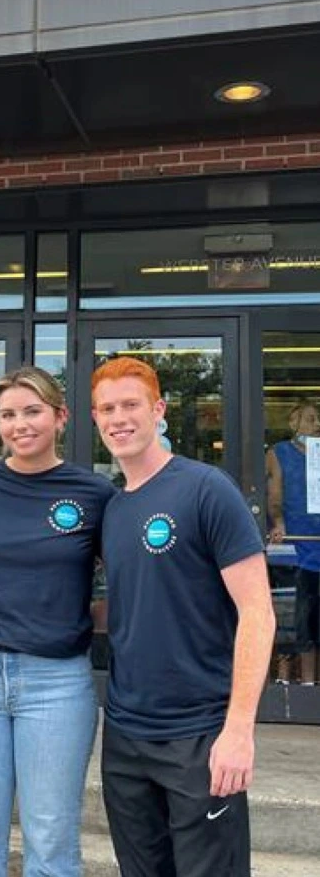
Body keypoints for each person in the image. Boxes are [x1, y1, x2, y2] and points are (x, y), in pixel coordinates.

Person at [91, 356, 276, 877]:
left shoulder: (204, 489)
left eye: (131, 404)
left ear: (159, 410)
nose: (118, 418)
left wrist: (239, 729)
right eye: (107, 408)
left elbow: (257, 612)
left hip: (199, 735)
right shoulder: (113, 507)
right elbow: (141, 605)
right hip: (125, 734)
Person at [0, 366, 114, 877]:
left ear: (60, 417)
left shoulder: (94, 494)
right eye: (8, 414)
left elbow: (127, 579)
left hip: (56, 682)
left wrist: (95, 617)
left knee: (52, 844)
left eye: (32, 411)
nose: (20, 424)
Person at [266, 399, 320, 684]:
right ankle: (294, 681)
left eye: (318, 419)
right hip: (298, 546)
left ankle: (310, 682)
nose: (317, 425)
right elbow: (274, 496)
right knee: (298, 616)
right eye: (310, 418)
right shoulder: (280, 453)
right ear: (293, 423)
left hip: (315, 540)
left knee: (312, 617)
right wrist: (279, 524)